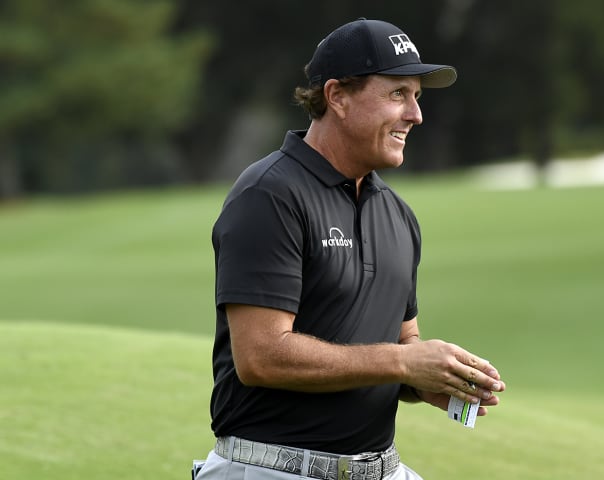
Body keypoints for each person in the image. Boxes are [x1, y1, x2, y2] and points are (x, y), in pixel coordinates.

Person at [194, 18, 506, 480]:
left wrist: (427, 378)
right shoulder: (269, 194)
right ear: (337, 96)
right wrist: (402, 363)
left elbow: (403, 343)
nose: (415, 114)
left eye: (417, 96)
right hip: (271, 470)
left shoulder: (397, 215)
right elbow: (260, 355)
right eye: (398, 94)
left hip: (380, 468)